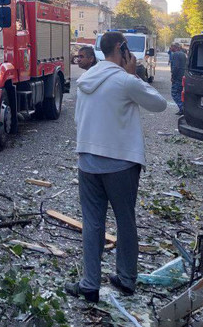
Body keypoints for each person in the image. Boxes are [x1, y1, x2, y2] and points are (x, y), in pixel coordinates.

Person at [65, 31, 167, 303]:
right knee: (125, 220)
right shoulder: (125, 81)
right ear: (122, 48)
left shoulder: (85, 79)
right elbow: (159, 105)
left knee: (92, 223)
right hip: (121, 164)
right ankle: (125, 278)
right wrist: (134, 75)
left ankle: (89, 284)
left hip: (87, 160)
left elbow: (78, 119)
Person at [170, 43, 187, 115]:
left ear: (175, 47)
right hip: (182, 76)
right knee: (180, 93)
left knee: (174, 93)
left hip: (177, 77)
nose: (170, 48)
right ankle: (182, 109)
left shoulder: (176, 54)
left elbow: (175, 67)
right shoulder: (183, 54)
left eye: (171, 46)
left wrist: (173, 77)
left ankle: (182, 108)